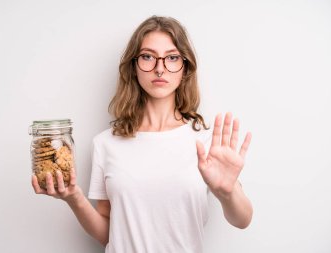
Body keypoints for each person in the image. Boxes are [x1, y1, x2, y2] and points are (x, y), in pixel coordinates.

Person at [32, 15, 253, 253]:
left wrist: (228, 192)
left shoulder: (205, 142)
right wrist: (74, 198)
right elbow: (108, 234)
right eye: (148, 56)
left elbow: (242, 219)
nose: (160, 68)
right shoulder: (106, 143)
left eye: (172, 58)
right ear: (134, 66)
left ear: (184, 68)